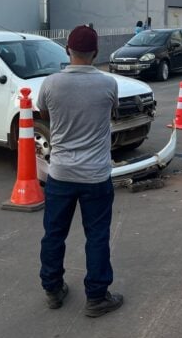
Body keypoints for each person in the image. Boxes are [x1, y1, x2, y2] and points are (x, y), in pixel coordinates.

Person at [37, 25, 123, 318]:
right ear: (96, 53)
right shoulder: (108, 84)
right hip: (96, 175)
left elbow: (45, 114)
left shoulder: (50, 83)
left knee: (54, 233)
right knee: (97, 235)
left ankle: (53, 289)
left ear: (66, 51)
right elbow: (113, 113)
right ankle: (97, 297)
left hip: (60, 173)